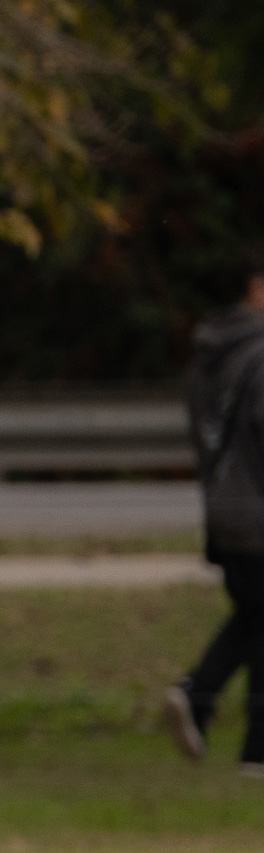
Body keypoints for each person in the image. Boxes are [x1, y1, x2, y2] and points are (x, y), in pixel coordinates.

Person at [165, 254, 264, 773]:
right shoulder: (261, 353)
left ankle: (241, 737)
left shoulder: (213, 353)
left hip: (224, 509)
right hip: (258, 512)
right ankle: (200, 696)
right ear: (257, 289)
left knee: (256, 619)